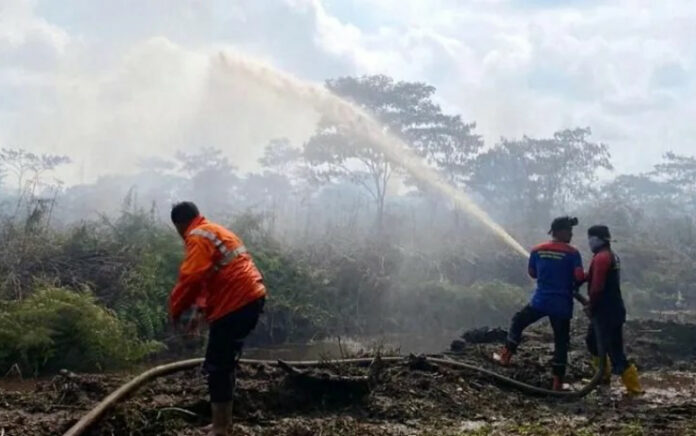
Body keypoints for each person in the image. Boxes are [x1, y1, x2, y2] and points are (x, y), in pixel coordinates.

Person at [168, 202, 267, 436]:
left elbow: (191, 277)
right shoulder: (213, 231)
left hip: (237, 302)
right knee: (222, 362)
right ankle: (223, 424)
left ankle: (221, 428)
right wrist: (199, 311)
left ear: (179, 225)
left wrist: (176, 309)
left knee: (217, 365)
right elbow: (208, 279)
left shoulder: (197, 236)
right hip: (249, 298)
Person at [496, 216, 584, 391]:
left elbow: (533, 273)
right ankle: (557, 383)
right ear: (559, 231)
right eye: (569, 230)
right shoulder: (573, 253)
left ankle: (506, 356)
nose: (571, 234)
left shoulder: (537, 250)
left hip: (540, 302)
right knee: (561, 342)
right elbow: (579, 277)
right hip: (562, 305)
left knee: (518, 321)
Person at [583, 225, 643, 395]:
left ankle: (635, 390)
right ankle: (603, 376)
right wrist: (578, 278)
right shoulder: (607, 256)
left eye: (590, 238)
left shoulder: (602, 257)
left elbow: (597, 287)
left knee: (615, 351)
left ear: (597, 239)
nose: (589, 242)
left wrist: (590, 305)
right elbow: (592, 276)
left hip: (607, 312)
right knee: (593, 342)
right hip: (609, 311)